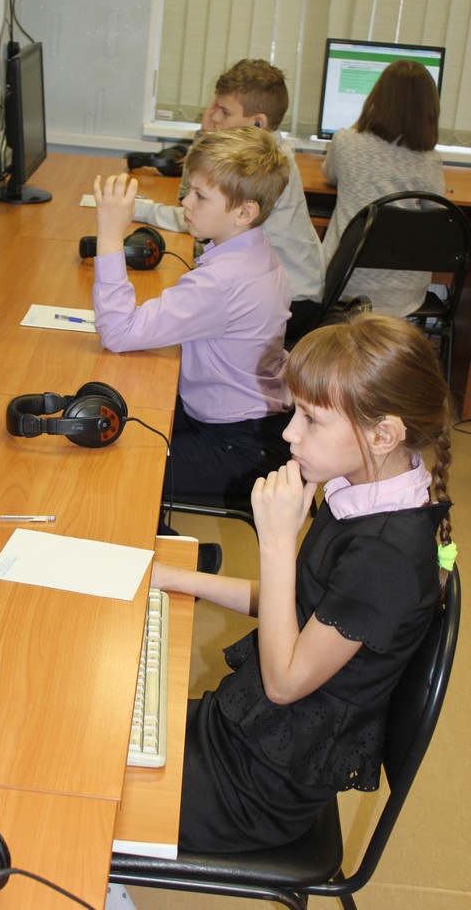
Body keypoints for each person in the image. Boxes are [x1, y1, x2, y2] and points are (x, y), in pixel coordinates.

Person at [148, 313, 456, 857]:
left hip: (258, 788)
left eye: (311, 419)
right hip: (243, 737)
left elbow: (283, 683)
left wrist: (275, 541)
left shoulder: (385, 558)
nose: (289, 433)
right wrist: (171, 578)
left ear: (383, 434)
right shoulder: (362, 489)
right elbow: (298, 604)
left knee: (72, 774)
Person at [93, 126, 293, 564]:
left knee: (113, 463)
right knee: (123, 420)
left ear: (244, 212)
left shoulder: (221, 281)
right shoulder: (256, 253)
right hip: (258, 423)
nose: (185, 201)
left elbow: (117, 332)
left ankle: (189, 561)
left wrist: (109, 236)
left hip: (238, 446)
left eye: (200, 196)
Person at [132, 59, 325, 342]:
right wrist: (205, 135)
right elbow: (188, 197)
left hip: (292, 302)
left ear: (258, 123)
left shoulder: (265, 168)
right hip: (271, 290)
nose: (215, 118)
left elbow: (194, 216)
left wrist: (139, 210)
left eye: (224, 112)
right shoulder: (259, 154)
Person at [321, 59, 446, 317]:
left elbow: (330, 175)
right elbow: (437, 212)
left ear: (377, 98)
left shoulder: (345, 141)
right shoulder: (429, 160)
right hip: (403, 294)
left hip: (343, 281)